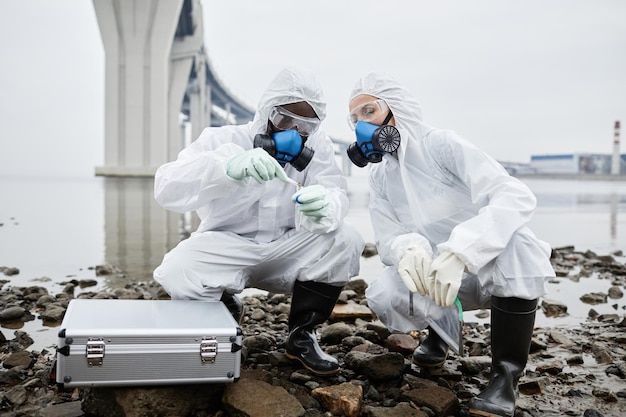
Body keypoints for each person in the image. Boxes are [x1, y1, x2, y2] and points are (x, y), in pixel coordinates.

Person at [345, 72, 555, 417]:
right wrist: (407, 251)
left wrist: (462, 252)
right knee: (386, 292)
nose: (361, 125)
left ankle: (505, 377)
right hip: (436, 277)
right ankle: (441, 332)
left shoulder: (441, 145)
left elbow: (513, 195)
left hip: (482, 268)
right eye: (354, 118)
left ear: (396, 108)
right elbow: (388, 236)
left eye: (369, 111)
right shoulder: (380, 175)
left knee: (521, 249)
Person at [153, 67, 364, 376]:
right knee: (178, 269)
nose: (293, 131)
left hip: (286, 251)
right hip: (228, 248)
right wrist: (225, 168)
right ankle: (224, 306)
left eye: (305, 125)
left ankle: (302, 334)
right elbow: (166, 187)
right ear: (266, 111)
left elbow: (335, 192)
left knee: (347, 239)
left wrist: (327, 207)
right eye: (284, 119)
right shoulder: (223, 139)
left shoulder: (318, 150)